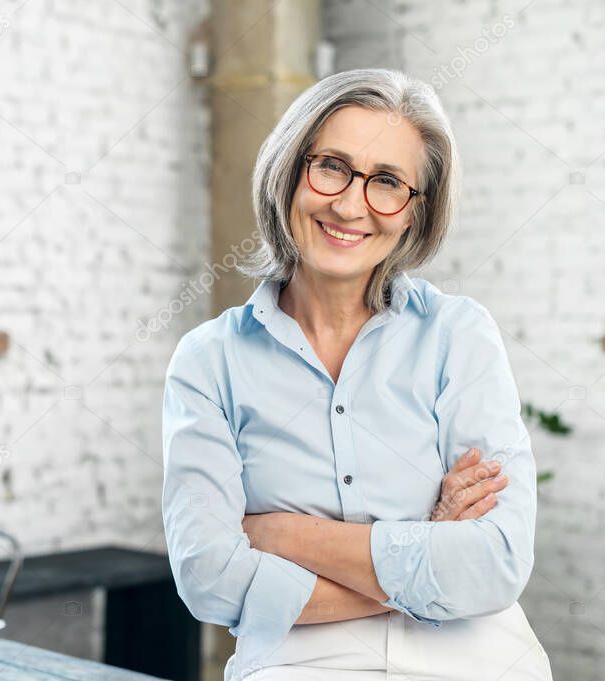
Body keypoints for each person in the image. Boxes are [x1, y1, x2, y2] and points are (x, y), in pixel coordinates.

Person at [161, 68, 553, 681]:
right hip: (298, 658)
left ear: (415, 214)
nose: (349, 205)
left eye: (388, 182)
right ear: (292, 172)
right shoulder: (210, 361)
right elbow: (209, 580)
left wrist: (282, 535)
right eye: (332, 166)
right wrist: (424, 547)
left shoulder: (459, 336)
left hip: (475, 654)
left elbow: (495, 563)